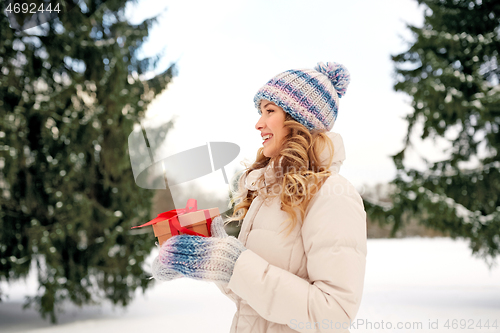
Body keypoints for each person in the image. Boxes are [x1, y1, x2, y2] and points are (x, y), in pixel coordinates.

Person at [152, 61, 367, 333]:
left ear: (298, 119)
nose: (258, 123)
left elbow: (334, 315)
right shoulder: (269, 196)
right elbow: (254, 299)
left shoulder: (334, 194)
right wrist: (213, 256)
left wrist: (234, 263)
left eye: (269, 111)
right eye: (259, 112)